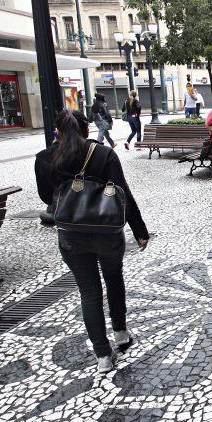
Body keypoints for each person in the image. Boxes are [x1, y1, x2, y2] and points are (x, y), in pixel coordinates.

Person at [34, 110, 149, 373]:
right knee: (113, 278)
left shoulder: (46, 158)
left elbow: (46, 197)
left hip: (72, 236)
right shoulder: (103, 154)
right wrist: (139, 229)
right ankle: (120, 332)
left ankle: (103, 356)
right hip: (107, 232)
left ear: (57, 132)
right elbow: (123, 194)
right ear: (87, 130)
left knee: (89, 291)